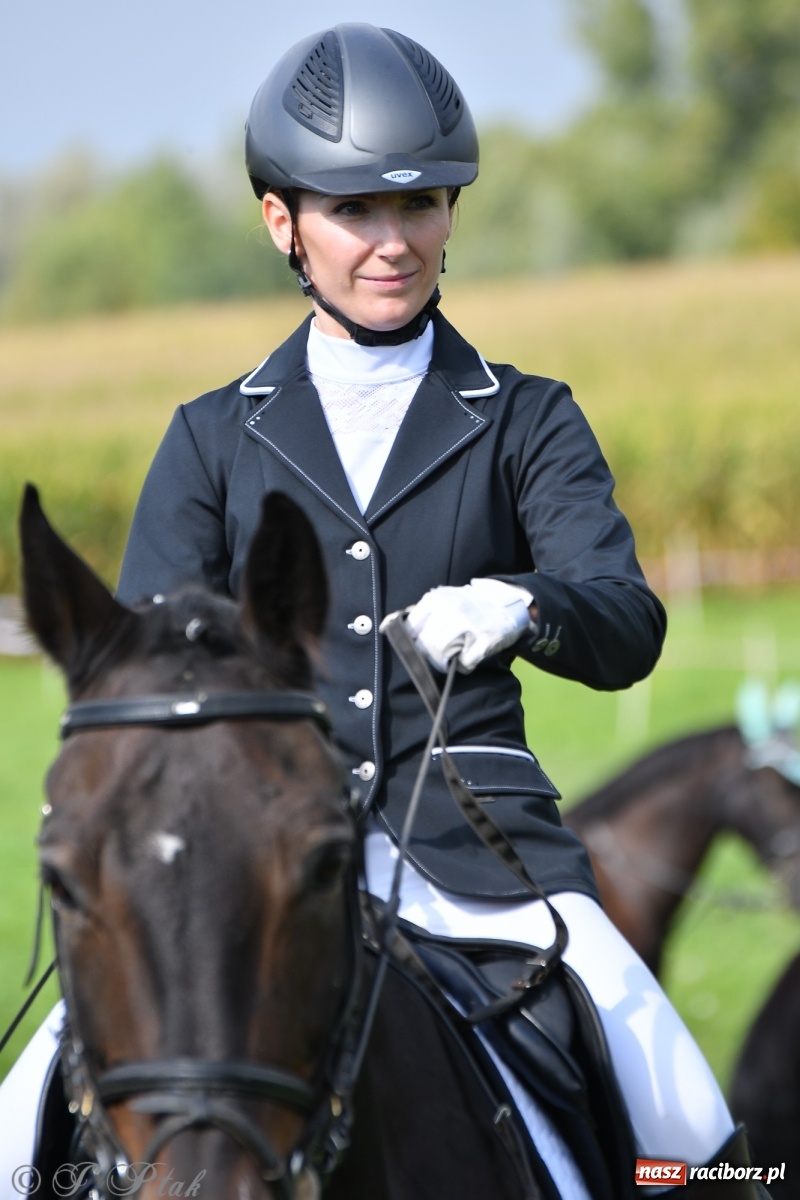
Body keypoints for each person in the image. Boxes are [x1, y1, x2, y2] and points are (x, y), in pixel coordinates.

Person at [0, 23, 763, 1198]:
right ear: (282, 223)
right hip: (247, 864)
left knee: (683, 1111)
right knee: (17, 1128)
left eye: (421, 209)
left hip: (481, 861)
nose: (393, 243)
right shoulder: (212, 435)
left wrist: (524, 603)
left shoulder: (526, 419)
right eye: (356, 212)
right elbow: (149, 665)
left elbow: (624, 620)